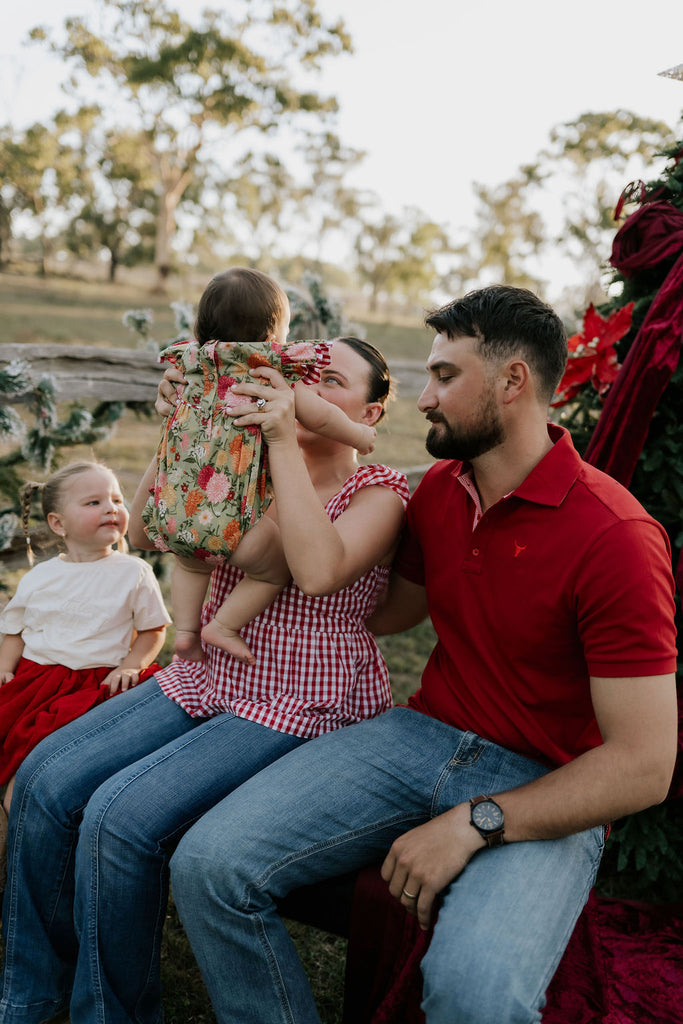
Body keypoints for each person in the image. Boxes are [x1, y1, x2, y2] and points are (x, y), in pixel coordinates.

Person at [169, 285, 679, 1024]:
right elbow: (379, 612)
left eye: (444, 377)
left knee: (474, 994)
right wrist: (254, 517)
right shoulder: (440, 491)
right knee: (209, 865)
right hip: (419, 737)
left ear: (512, 383)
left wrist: (478, 821)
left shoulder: (616, 538)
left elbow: (642, 765)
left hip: (549, 781)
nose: (423, 399)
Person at [0, 337, 409, 1024]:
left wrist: (282, 439)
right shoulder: (244, 456)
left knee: (119, 816)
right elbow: (151, 528)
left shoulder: (380, 490)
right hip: (206, 673)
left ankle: (109, 1014)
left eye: (328, 380)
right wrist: (183, 421)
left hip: (298, 696)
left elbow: (314, 571)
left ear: (369, 410)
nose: (302, 387)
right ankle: (30, 994)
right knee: (44, 776)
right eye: (302, 372)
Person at [142, 266, 376, 664]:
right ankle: (224, 625)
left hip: (175, 511)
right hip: (233, 523)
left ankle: (185, 632)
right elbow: (319, 416)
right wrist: (358, 435)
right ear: (273, 337)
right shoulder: (266, 369)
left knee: (192, 565)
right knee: (274, 569)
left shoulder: (188, 366)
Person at [0, 461, 169, 814]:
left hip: (96, 685)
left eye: (117, 500)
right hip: (37, 682)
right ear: (58, 523)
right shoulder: (41, 577)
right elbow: (15, 632)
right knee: (17, 755)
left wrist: (132, 665)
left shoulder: (132, 572)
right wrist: (5, 667)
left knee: (56, 766)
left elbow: (154, 629)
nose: (111, 508)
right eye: (93, 503)